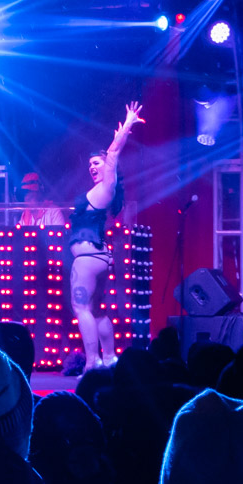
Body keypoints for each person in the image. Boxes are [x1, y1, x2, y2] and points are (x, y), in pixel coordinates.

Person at [68, 102, 144, 371]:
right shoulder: (103, 192)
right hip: (99, 259)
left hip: (88, 260)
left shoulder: (105, 188)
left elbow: (113, 153)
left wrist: (126, 125)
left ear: (107, 167)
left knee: (82, 309)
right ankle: (110, 358)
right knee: (98, 310)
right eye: (89, 163)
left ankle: (92, 363)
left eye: (96, 162)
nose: (92, 166)